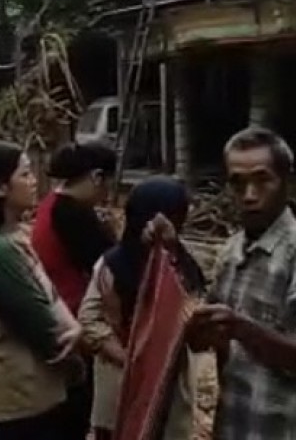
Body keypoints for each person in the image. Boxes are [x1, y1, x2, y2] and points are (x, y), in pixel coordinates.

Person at [185, 127, 296, 440]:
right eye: (238, 183)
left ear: (285, 181)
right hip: (240, 424)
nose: (249, 195)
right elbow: (215, 340)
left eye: (262, 180)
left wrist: (243, 329)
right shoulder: (232, 251)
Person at [0, 140, 83, 440]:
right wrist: (78, 357)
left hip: (28, 399)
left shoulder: (11, 238)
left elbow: (49, 298)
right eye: (25, 174)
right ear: (0, 187)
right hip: (19, 404)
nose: (34, 181)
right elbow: (47, 331)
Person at [79, 177, 204, 440]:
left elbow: (193, 307)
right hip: (122, 381)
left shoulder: (179, 263)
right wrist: (130, 360)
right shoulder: (112, 265)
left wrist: (170, 251)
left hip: (165, 383)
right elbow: (89, 318)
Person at [31, 141, 119, 440]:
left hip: (58, 314)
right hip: (77, 320)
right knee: (80, 409)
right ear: (96, 177)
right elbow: (107, 265)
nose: (107, 193)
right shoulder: (75, 215)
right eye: (108, 183)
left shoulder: (51, 204)